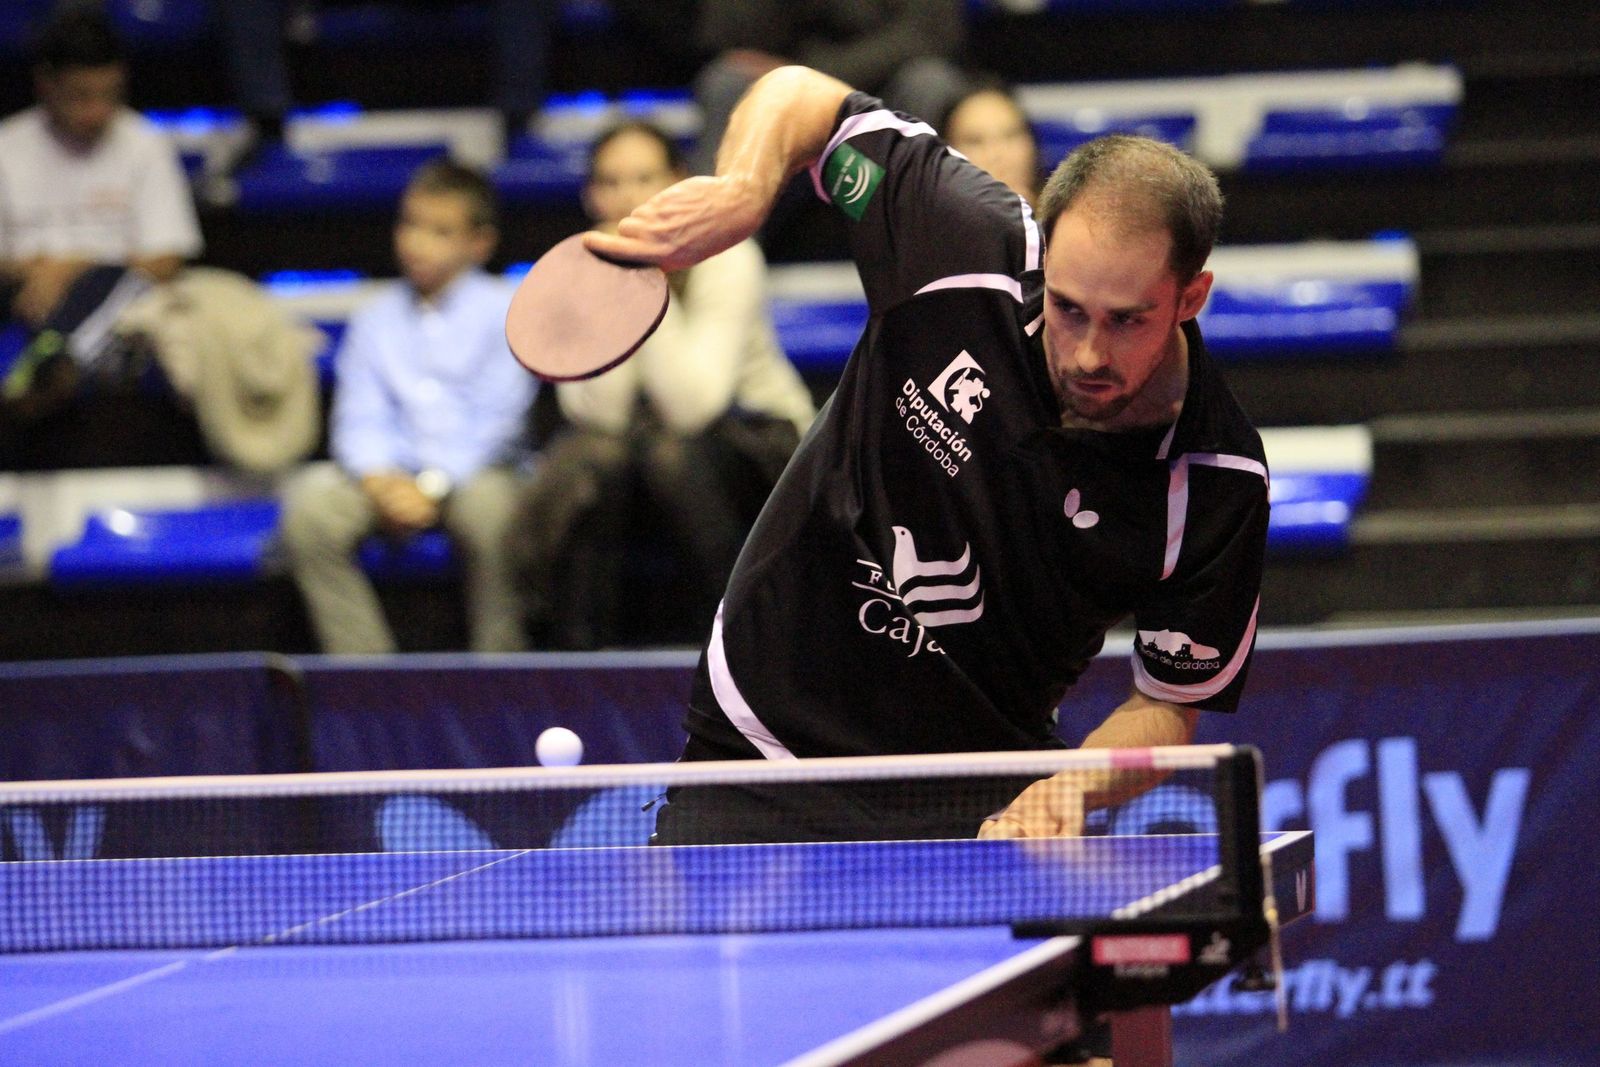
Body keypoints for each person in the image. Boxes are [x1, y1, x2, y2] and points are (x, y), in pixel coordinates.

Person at [585, 66, 1270, 845]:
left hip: (975, 799)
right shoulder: (960, 242)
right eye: (1068, 308)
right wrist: (745, 186)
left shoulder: (1215, 481)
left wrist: (1074, 785)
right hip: (764, 742)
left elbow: (1168, 701)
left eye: (1125, 321)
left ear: (1192, 297)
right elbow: (805, 99)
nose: (1085, 352)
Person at [509, 120, 815, 650]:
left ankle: (733, 648)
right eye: (610, 181)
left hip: (754, 443)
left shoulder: (729, 253)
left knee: (673, 453)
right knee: (589, 457)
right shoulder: (582, 265)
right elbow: (599, 413)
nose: (627, 196)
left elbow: (695, 407)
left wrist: (646, 279)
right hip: (634, 450)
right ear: (590, 195)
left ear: (678, 182)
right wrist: (617, 282)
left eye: (644, 177)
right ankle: (579, 655)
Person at [279, 159, 534, 654]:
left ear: (479, 243)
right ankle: (370, 680)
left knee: (495, 514)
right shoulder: (375, 318)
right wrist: (379, 480)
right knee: (310, 508)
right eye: (410, 224)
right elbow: (359, 417)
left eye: (440, 231)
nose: (417, 242)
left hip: (477, 475)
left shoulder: (507, 309)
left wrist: (432, 487)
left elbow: (498, 421)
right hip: (388, 479)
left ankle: (501, 676)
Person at [0, 6, 202, 426]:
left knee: (115, 285)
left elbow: (166, 260)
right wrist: (41, 272)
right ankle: (53, 358)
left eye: (109, 95)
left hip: (114, 304)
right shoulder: (7, 146)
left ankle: (58, 361)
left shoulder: (143, 144)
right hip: (23, 298)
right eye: (81, 96)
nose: (97, 112)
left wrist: (72, 269)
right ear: (45, 85)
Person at [689, 0, 967, 175]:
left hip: (887, 83)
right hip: (787, 90)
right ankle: (725, 253)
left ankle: (925, 236)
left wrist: (817, 74)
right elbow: (728, 35)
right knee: (726, 82)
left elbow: (931, 32)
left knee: (931, 81)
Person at [940, 79, 1042, 207]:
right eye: (975, 141)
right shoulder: (920, 223)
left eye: (1010, 135)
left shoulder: (1065, 220)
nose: (997, 154)